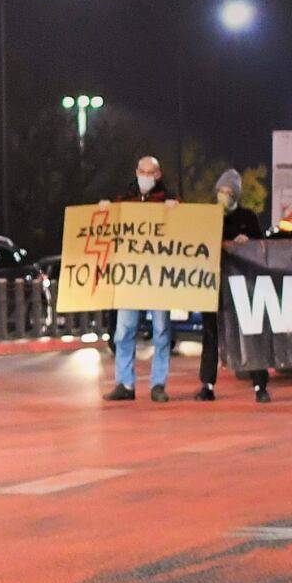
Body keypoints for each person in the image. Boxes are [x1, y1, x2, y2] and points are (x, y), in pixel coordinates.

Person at [104, 155, 177, 402]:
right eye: (141, 171)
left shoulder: (170, 200)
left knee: (161, 331)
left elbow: (184, 231)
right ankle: (125, 383)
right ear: (136, 172)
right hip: (130, 278)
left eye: (150, 172)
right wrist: (105, 211)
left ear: (158, 175)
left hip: (158, 278)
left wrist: (176, 213)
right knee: (124, 330)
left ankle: (158, 384)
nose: (145, 176)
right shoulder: (124, 200)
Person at [197, 169, 272, 401]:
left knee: (250, 332)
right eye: (221, 191)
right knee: (211, 335)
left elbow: (262, 248)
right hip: (213, 285)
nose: (225, 196)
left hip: (242, 286)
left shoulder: (247, 218)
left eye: (229, 192)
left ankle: (260, 386)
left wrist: (247, 244)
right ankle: (207, 385)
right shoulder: (207, 217)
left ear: (236, 196)